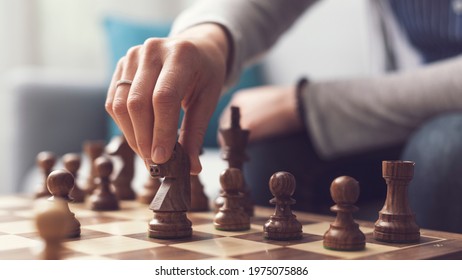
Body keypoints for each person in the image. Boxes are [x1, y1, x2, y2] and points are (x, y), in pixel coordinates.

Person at [105, 0, 462, 233]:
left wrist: (308, 104)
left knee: (446, 149)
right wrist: (210, 37)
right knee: (269, 148)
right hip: (406, 110)